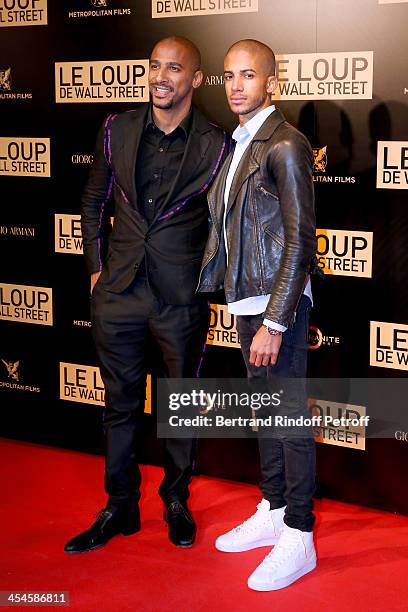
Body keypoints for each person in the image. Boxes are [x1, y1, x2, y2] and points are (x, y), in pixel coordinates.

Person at [64, 36, 229, 553]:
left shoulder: (217, 143)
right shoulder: (117, 128)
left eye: (174, 68)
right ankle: (120, 507)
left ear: (195, 79)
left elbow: (225, 224)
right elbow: (93, 201)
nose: (160, 76)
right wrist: (96, 272)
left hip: (179, 298)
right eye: (154, 66)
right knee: (119, 406)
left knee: (179, 404)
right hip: (118, 293)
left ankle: (176, 500)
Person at [197, 39, 317, 590]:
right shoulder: (241, 143)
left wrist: (275, 320)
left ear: (272, 81)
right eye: (228, 76)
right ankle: (272, 509)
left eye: (249, 75)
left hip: (276, 306)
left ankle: (299, 532)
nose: (236, 86)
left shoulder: (285, 144)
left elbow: (301, 240)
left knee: (288, 420)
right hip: (248, 299)